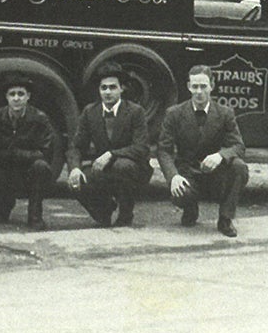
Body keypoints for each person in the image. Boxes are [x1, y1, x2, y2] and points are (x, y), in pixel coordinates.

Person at [156, 65, 247, 237]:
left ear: (212, 85)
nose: (199, 92)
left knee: (239, 167)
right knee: (180, 193)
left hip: (215, 174)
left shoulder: (225, 113)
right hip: (187, 173)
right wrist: (173, 176)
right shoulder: (174, 113)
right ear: (188, 86)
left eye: (203, 86)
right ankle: (190, 208)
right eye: (195, 86)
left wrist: (220, 155)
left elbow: (239, 146)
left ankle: (225, 218)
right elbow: (163, 150)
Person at [0, 82, 64, 229]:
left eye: (21, 94)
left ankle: (34, 215)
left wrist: (15, 153)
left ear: (28, 97)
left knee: (41, 167)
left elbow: (45, 153)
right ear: (6, 97)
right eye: (12, 94)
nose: (16, 98)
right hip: (3, 169)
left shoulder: (40, 119)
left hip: (28, 172)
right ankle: (3, 206)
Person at [67, 71, 154, 226]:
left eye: (113, 87)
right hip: (103, 169)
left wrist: (112, 154)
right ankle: (103, 212)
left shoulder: (135, 111)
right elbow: (76, 146)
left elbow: (142, 148)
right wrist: (74, 168)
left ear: (122, 89)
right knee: (77, 180)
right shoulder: (90, 112)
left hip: (133, 169)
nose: (107, 92)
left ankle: (125, 214)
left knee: (123, 166)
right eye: (103, 88)